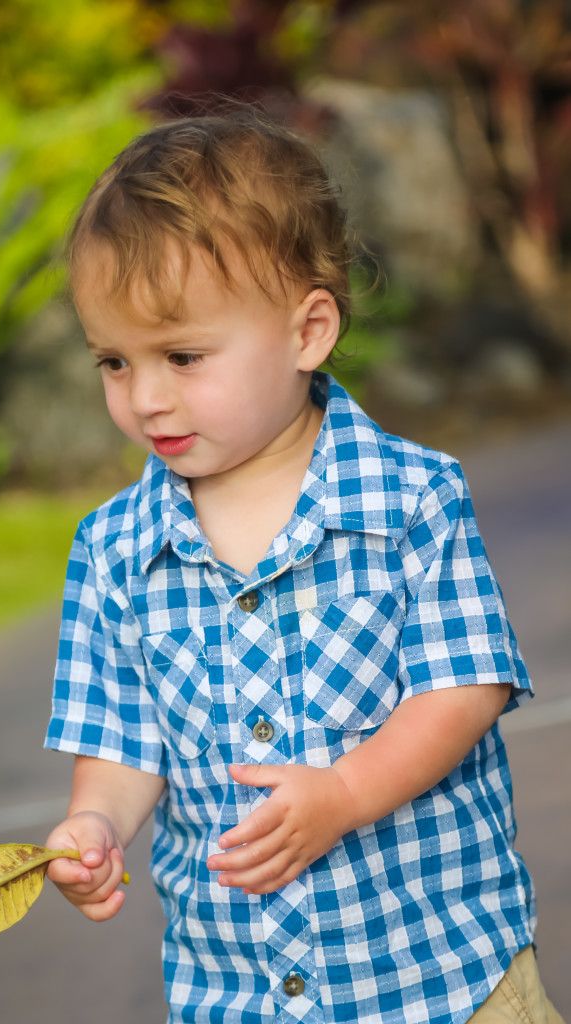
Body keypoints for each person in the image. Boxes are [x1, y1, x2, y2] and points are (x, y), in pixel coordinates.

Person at [44, 107, 562, 1023]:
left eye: (183, 356)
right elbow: (121, 747)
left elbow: (463, 688)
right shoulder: (115, 551)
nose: (145, 398)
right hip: (238, 991)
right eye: (113, 363)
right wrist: (96, 826)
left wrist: (346, 792)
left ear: (307, 332)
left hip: (439, 975)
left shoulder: (407, 499)